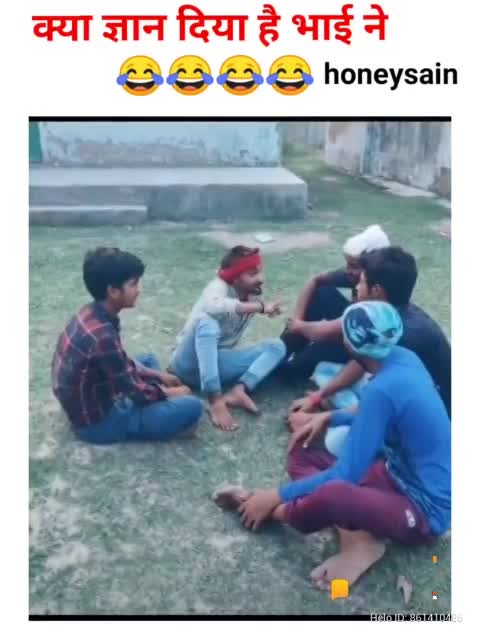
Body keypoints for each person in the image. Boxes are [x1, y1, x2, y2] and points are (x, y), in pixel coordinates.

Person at [214, 301, 451, 591]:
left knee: (333, 493)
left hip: (424, 509)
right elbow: (374, 411)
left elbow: (346, 474)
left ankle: (266, 507)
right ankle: (359, 538)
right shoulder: (403, 357)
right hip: (393, 474)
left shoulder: (383, 388)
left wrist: (275, 495)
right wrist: (328, 417)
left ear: (350, 344)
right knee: (302, 452)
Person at [289, 247, 451, 456]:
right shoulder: (389, 317)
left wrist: (321, 419)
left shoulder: (403, 336)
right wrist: (317, 398)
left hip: (424, 421)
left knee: (336, 442)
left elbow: (386, 402)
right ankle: (341, 406)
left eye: (361, 282)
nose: (357, 286)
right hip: (395, 394)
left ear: (376, 291)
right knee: (324, 371)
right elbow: (362, 363)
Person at [52, 247, 203, 445]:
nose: (139, 289)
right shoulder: (102, 336)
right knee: (193, 406)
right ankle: (155, 416)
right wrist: (169, 393)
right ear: (113, 291)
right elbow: (135, 390)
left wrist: (159, 376)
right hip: (97, 423)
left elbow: (120, 362)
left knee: (148, 360)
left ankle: (156, 405)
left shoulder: (92, 312)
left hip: (89, 399)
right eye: (133, 284)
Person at [169, 246, 286, 432]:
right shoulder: (218, 286)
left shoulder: (252, 293)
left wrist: (261, 307)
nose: (261, 278)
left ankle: (239, 390)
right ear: (236, 277)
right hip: (187, 364)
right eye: (252, 274)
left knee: (277, 346)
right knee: (207, 323)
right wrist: (260, 307)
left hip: (216, 363)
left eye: (259, 272)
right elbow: (213, 306)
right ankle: (215, 399)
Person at [280, 224, 390, 379]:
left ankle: (291, 363)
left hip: (358, 343)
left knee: (291, 369)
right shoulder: (357, 275)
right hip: (346, 327)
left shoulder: (379, 293)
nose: (347, 271)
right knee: (321, 291)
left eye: (353, 266)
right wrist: (298, 320)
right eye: (347, 265)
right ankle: (283, 348)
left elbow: (338, 330)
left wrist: (300, 326)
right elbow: (315, 280)